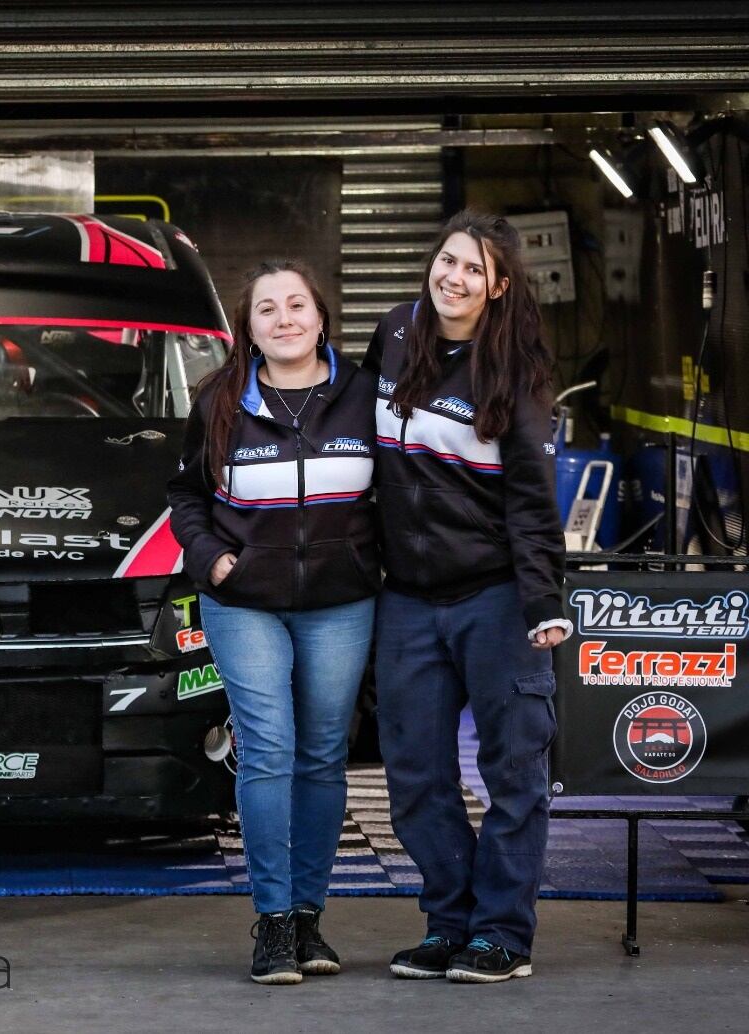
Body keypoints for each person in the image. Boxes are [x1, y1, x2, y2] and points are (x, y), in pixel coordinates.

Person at [365, 209, 568, 984]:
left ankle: (503, 935)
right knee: (415, 774)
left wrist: (541, 599)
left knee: (514, 770)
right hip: (407, 599)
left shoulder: (514, 371)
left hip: (495, 599)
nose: (454, 277)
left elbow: (530, 498)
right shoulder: (393, 333)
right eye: (448, 261)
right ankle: (449, 925)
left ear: (499, 286)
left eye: (474, 270)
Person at [168, 260, 380, 985]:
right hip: (245, 601)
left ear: (321, 317)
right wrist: (211, 561)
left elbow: (402, 489)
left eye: (297, 305)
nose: (285, 319)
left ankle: (310, 920)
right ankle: (274, 922)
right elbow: (187, 496)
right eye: (268, 309)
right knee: (267, 747)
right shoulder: (219, 400)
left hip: (340, 602)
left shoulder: (365, 400)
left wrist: (373, 562)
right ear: (249, 328)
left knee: (322, 753)